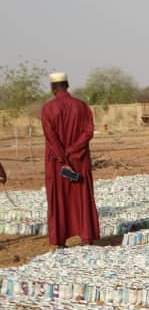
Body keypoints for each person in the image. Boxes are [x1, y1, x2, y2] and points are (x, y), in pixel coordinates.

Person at [41, 72, 100, 247]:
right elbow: (88, 133)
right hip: (79, 160)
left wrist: (63, 157)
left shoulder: (48, 109)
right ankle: (87, 237)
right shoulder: (82, 107)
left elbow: (50, 137)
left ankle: (59, 240)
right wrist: (73, 151)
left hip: (57, 163)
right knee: (82, 196)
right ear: (67, 85)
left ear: (53, 88)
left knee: (58, 198)